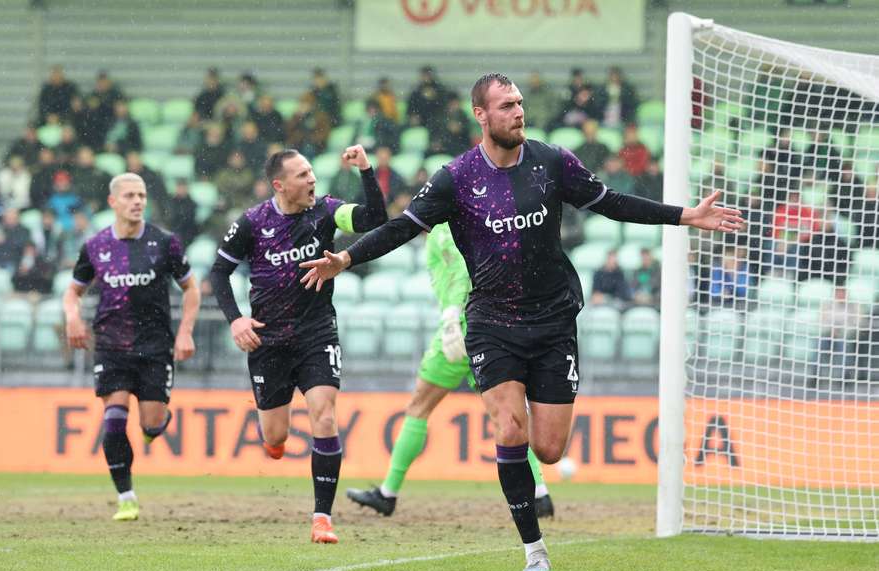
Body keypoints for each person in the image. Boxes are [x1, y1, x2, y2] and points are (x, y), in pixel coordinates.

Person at [301, 73, 742, 571]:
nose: (517, 111)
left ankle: (530, 477)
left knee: (549, 449)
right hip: (491, 321)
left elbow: (612, 203)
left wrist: (685, 216)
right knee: (508, 427)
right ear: (481, 115)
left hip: (554, 319)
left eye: (519, 103)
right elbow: (403, 226)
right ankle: (534, 548)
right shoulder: (457, 177)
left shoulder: (552, 161)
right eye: (506, 104)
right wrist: (348, 259)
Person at [208, 145, 387, 544]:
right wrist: (236, 319)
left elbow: (374, 218)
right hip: (268, 341)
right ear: (280, 185)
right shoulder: (252, 222)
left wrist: (366, 170)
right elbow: (218, 273)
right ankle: (275, 443)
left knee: (323, 414)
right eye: (303, 175)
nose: (313, 180)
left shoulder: (325, 210)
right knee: (275, 435)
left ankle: (322, 517)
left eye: (311, 172)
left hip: (316, 332)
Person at [346, 221, 556, 518]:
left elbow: (458, 273)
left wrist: (450, 318)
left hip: (462, 325)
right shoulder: (477, 222)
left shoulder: (444, 229)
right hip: (492, 324)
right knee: (507, 414)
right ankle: (540, 495)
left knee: (419, 406)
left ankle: (387, 493)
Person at [63, 173, 201, 522]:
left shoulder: (165, 242)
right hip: (111, 345)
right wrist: (72, 318)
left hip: (155, 347)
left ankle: (156, 425)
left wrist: (185, 332)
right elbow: (73, 291)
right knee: (113, 419)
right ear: (113, 202)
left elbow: (191, 288)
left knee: (151, 424)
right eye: (129, 196)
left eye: (141, 195)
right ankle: (126, 496)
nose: (138, 201)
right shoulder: (95, 246)